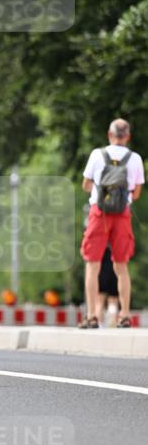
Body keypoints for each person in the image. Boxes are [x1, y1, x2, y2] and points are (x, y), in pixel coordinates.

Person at [79, 118, 144, 328]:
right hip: (123, 215)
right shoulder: (135, 159)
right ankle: (124, 315)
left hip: (99, 214)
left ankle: (91, 316)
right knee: (121, 265)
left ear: (109, 135)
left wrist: (102, 191)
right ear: (128, 137)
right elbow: (137, 191)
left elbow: (86, 185)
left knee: (92, 264)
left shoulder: (98, 155)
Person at [96, 246, 119, 327]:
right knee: (113, 301)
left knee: (99, 301)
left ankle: (99, 324)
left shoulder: (101, 243)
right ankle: (112, 323)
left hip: (101, 272)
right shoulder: (115, 243)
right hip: (115, 272)